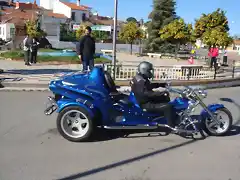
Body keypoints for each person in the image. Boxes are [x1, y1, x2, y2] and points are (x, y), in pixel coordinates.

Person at [130, 61, 176, 127]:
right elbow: (146, 93)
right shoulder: (141, 81)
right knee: (168, 106)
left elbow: (149, 86)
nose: (150, 73)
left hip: (143, 100)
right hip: (145, 104)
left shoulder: (139, 78)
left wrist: (161, 84)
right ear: (144, 70)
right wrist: (160, 93)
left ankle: (162, 117)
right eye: (149, 71)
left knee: (164, 98)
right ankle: (172, 126)